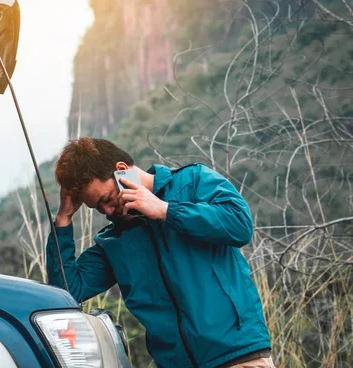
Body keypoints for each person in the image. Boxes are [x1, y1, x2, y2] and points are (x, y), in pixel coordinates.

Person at [46, 137, 274, 368]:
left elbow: (240, 225)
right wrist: (63, 220)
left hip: (237, 356)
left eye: (106, 199)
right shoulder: (114, 241)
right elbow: (67, 292)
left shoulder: (192, 182)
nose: (106, 210)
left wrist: (165, 210)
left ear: (122, 171)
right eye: (97, 207)